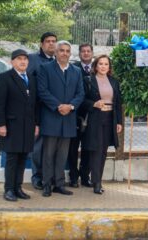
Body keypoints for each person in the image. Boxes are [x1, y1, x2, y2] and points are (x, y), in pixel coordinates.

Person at [38, 40, 84, 197]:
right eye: (61, 50)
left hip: (68, 119)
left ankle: (59, 184)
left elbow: (80, 94)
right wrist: (58, 106)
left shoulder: (76, 71)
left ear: (70, 53)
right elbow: (42, 91)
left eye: (67, 51)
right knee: (48, 154)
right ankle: (46, 184)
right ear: (56, 52)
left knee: (62, 155)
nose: (64, 53)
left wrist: (70, 107)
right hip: (51, 117)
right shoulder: (45, 68)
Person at [0, 49, 39, 201]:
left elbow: (35, 104)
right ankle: (8, 190)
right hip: (11, 126)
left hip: (28, 126)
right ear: (12, 61)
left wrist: (36, 124)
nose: (23, 61)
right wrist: (1, 124)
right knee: (12, 159)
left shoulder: (31, 79)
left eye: (25, 59)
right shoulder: (4, 77)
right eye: (19, 59)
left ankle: (18, 188)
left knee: (23, 158)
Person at [81, 55, 122, 194]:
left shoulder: (114, 81)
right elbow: (82, 100)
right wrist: (94, 104)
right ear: (95, 66)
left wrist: (119, 122)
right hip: (95, 118)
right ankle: (96, 183)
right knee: (96, 151)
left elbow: (118, 103)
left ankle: (97, 180)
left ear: (109, 67)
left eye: (106, 64)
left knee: (103, 151)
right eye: (101, 64)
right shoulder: (88, 80)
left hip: (110, 119)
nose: (103, 66)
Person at [28, 32, 57, 190]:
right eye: (48, 41)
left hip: (54, 111)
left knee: (52, 147)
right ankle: (37, 177)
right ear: (41, 44)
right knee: (38, 147)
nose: (51, 44)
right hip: (37, 110)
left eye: (54, 41)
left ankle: (49, 177)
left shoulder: (58, 61)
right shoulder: (33, 59)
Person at [68, 43, 94, 188]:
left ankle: (85, 177)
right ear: (79, 53)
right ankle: (73, 177)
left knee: (88, 148)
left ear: (92, 53)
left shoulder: (97, 69)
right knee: (72, 148)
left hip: (92, 116)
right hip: (76, 115)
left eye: (88, 51)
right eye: (83, 51)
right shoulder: (74, 69)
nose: (85, 53)